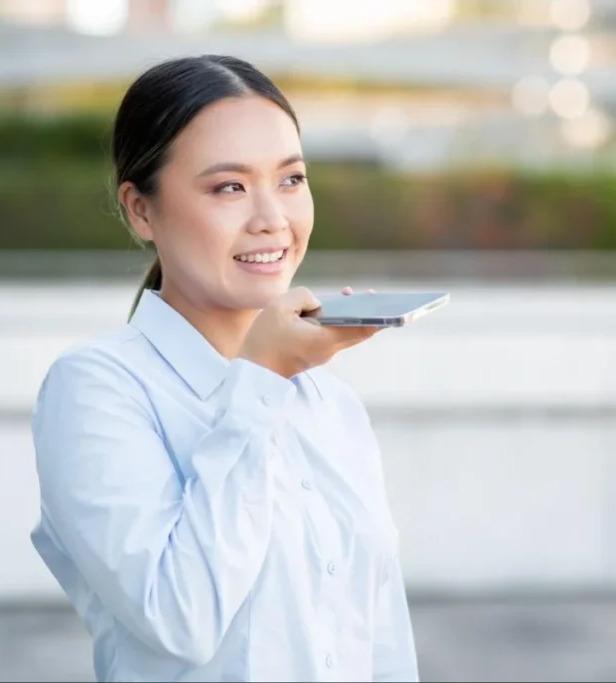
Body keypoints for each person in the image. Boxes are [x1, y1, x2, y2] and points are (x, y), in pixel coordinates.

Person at [30, 55, 419, 682]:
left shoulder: (329, 400)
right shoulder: (96, 389)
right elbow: (181, 621)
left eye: (291, 179)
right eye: (229, 187)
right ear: (140, 210)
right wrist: (260, 376)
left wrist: (275, 373)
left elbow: (382, 639)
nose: (273, 219)